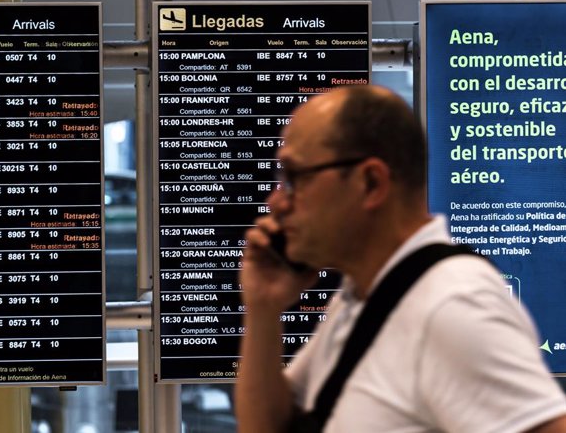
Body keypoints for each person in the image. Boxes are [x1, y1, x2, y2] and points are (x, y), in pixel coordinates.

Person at [234, 85, 566, 433]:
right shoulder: (360, 298)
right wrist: (264, 309)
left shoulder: (453, 306)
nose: (276, 202)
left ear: (371, 183)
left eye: (295, 178)